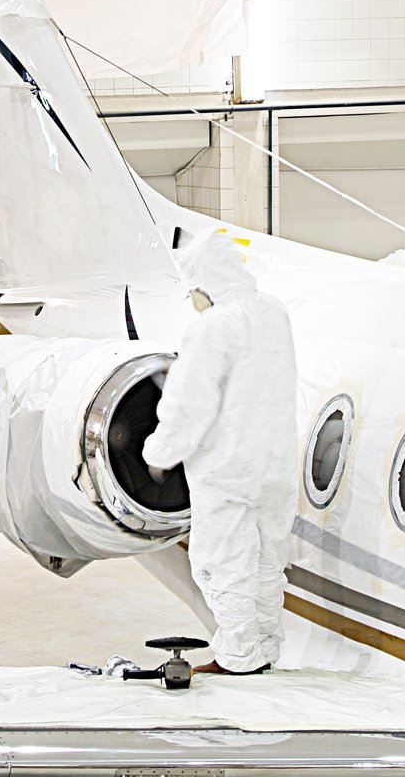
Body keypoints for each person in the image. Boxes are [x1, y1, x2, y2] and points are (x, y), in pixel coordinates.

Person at [141, 230, 298, 676]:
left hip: (228, 471)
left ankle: (238, 659)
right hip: (276, 464)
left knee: (223, 564)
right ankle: (266, 648)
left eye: (191, 290)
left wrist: (159, 452)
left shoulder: (213, 327)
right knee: (269, 561)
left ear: (205, 285)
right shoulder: (273, 311)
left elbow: (188, 404)